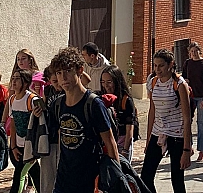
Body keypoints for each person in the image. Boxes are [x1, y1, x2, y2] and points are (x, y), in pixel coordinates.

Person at [48, 47, 119, 193]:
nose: (63, 77)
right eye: (59, 73)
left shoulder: (93, 104)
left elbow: (110, 143)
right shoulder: (58, 105)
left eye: (68, 71)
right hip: (64, 179)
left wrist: (115, 182)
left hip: (90, 179)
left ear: (80, 70)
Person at [141, 49, 192, 193]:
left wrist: (186, 149)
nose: (157, 69)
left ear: (171, 65)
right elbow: (152, 111)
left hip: (177, 135)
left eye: (161, 65)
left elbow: (187, 118)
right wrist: (148, 139)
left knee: (177, 179)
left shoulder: (179, 84)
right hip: (158, 133)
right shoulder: (153, 82)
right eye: (155, 66)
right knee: (145, 177)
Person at [8, 69, 40, 193]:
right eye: (13, 78)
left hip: (30, 147)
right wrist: (13, 146)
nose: (13, 81)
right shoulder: (12, 99)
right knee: (36, 175)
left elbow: (40, 125)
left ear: (25, 83)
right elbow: (13, 124)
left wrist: (34, 149)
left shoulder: (32, 99)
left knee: (19, 175)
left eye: (17, 78)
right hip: (19, 146)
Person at [182, 42, 203, 162]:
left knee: (201, 123)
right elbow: (183, 78)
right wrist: (185, 80)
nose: (194, 53)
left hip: (202, 98)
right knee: (187, 122)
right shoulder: (187, 63)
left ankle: (202, 150)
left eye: (196, 51)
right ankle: (188, 147)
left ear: (200, 51)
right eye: (192, 51)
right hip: (190, 97)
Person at [100, 65, 137, 161]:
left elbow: (129, 128)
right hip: (107, 141)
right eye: (103, 82)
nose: (106, 86)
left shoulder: (126, 100)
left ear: (117, 82)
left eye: (109, 82)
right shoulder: (101, 98)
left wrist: (125, 150)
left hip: (122, 141)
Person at [38, 67, 64, 193]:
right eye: (54, 81)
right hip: (49, 135)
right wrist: (38, 112)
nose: (58, 84)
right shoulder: (48, 91)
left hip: (63, 137)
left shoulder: (67, 91)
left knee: (61, 172)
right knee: (47, 174)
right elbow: (44, 109)